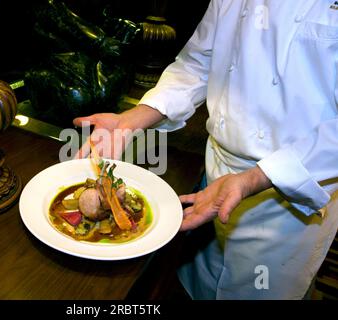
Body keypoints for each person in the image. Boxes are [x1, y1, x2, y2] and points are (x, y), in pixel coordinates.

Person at [73, 0, 338, 299]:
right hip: (215, 176)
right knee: (193, 286)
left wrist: (253, 178)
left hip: (291, 199)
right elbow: (197, 64)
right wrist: (131, 120)